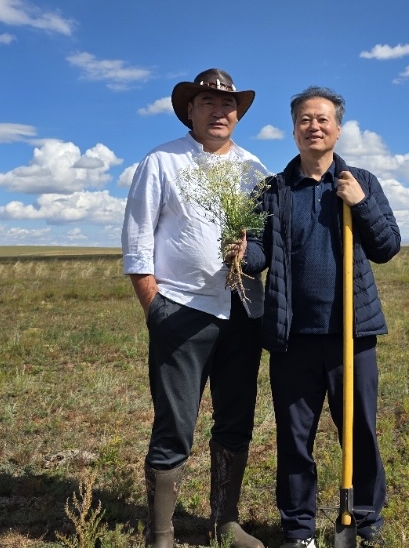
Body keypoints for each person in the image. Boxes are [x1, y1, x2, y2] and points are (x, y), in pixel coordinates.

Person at [235, 86, 400, 548]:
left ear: (338, 128)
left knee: (359, 432)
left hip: (352, 334)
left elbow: (388, 246)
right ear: (293, 130)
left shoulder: (360, 180)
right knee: (294, 438)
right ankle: (298, 529)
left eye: (323, 119)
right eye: (305, 120)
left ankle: (363, 521)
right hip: (292, 336)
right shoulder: (273, 190)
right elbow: (260, 253)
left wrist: (360, 203)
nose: (314, 127)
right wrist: (243, 254)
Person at [121, 68, 267, 548]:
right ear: (190, 110)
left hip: (242, 312)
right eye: (208, 102)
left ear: (238, 114)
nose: (219, 111)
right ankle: (160, 534)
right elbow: (137, 241)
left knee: (235, 421)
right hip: (180, 310)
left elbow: (264, 241)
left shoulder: (255, 171)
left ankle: (225, 524)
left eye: (228, 105)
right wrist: (155, 308)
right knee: (174, 424)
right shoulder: (161, 161)